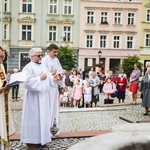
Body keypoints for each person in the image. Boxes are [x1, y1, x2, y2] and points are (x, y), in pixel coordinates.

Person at [21, 48, 58, 149]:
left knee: (44, 120)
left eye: (41, 55)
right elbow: (27, 83)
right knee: (33, 121)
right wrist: (39, 78)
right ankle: (31, 141)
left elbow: (49, 77)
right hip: (34, 99)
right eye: (38, 55)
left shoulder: (43, 66)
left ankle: (42, 139)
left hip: (44, 97)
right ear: (32, 56)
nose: (41, 57)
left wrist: (54, 79)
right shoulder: (28, 67)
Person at [42, 43, 63, 134]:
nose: (56, 54)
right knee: (48, 108)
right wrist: (51, 73)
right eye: (54, 52)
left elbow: (60, 71)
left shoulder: (56, 60)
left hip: (54, 87)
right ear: (48, 51)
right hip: (47, 88)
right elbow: (43, 74)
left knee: (55, 108)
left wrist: (60, 76)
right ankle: (47, 130)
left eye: (57, 52)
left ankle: (54, 128)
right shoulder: (44, 60)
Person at [0, 47, 15, 149]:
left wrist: (7, 87)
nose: (2, 59)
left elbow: (3, 82)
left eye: (3, 57)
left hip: (2, 100)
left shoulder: (1, 66)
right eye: (0, 57)